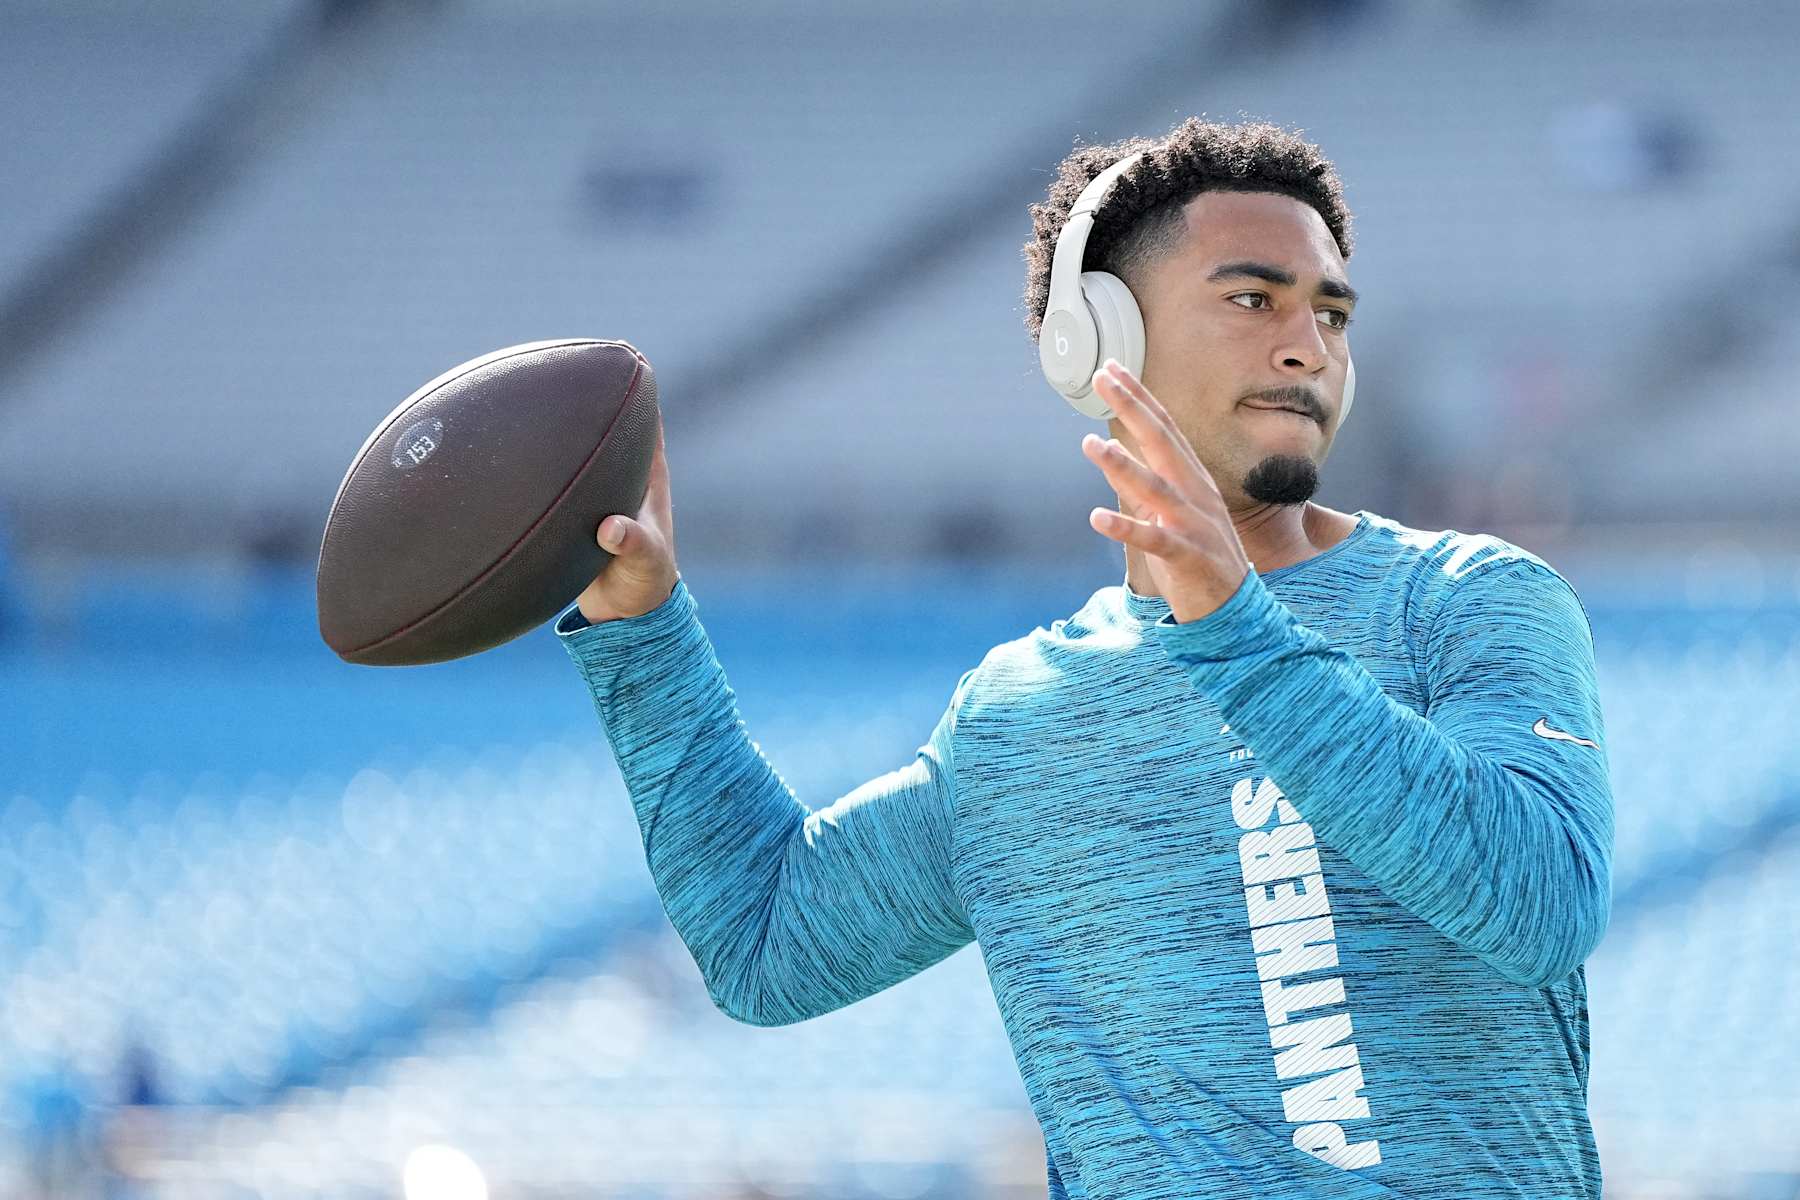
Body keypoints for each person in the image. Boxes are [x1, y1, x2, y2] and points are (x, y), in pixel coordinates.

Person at [553, 117, 1613, 1199]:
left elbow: (1540, 908)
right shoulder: (1017, 719)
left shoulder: (1469, 600)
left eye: (1331, 312)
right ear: (1096, 341)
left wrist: (1238, 634)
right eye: (1254, 300)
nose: (1311, 347)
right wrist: (643, 633)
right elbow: (765, 942)